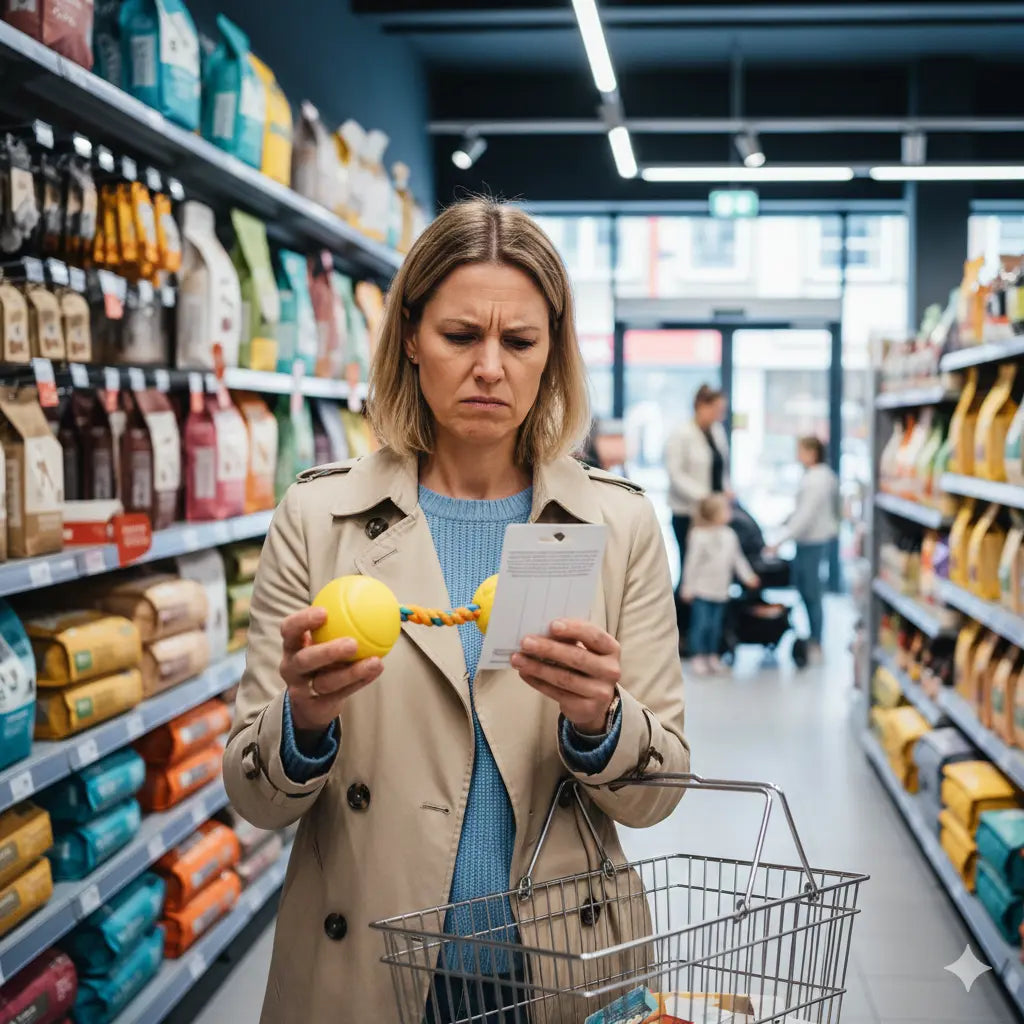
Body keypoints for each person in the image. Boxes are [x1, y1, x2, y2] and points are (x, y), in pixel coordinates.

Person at [222, 198, 690, 1024]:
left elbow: (658, 794)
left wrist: (600, 721)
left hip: (562, 973)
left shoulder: (616, 525)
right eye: (460, 335)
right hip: (368, 965)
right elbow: (255, 801)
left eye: (519, 341)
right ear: (410, 336)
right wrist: (302, 721)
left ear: (552, 353)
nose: (490, 367)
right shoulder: (318, 519)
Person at [663, 385, 731, 644]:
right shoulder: (681, 435)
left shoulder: (716, 432)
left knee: (708, 571)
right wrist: (703, 497)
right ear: (701, 406)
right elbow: (675, 475)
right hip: (688, 513)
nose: (719, 415)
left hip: (713, 513)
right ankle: (681, 633)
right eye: (716, 409)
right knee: (691, 572)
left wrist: (724, 491)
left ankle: (703, 632)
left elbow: (720, 467)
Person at [772, 435, 839, 662]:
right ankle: (814, 638)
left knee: (811, 592)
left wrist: (781, 539)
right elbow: (800, 511)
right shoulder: (816, 476)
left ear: (812, 452)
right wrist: (785, 523)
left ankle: (816, 641)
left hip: (811, 540)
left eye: (800, 450)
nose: (797, 455)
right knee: (806, 589)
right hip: (807, 540)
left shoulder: (817, 479)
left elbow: (806, 515)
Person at [681, 493, 760, 676]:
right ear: (713, 513)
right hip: (701, 590)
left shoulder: (729, 534)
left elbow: (737, 559)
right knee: (701, 625)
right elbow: (691, 564)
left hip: (721, 590)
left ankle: (712, 655)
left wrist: (748, 576)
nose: (729, 512)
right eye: (725, 509)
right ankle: (698, 656)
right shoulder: (698, 535)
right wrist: (687, 587)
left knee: (716, 626)